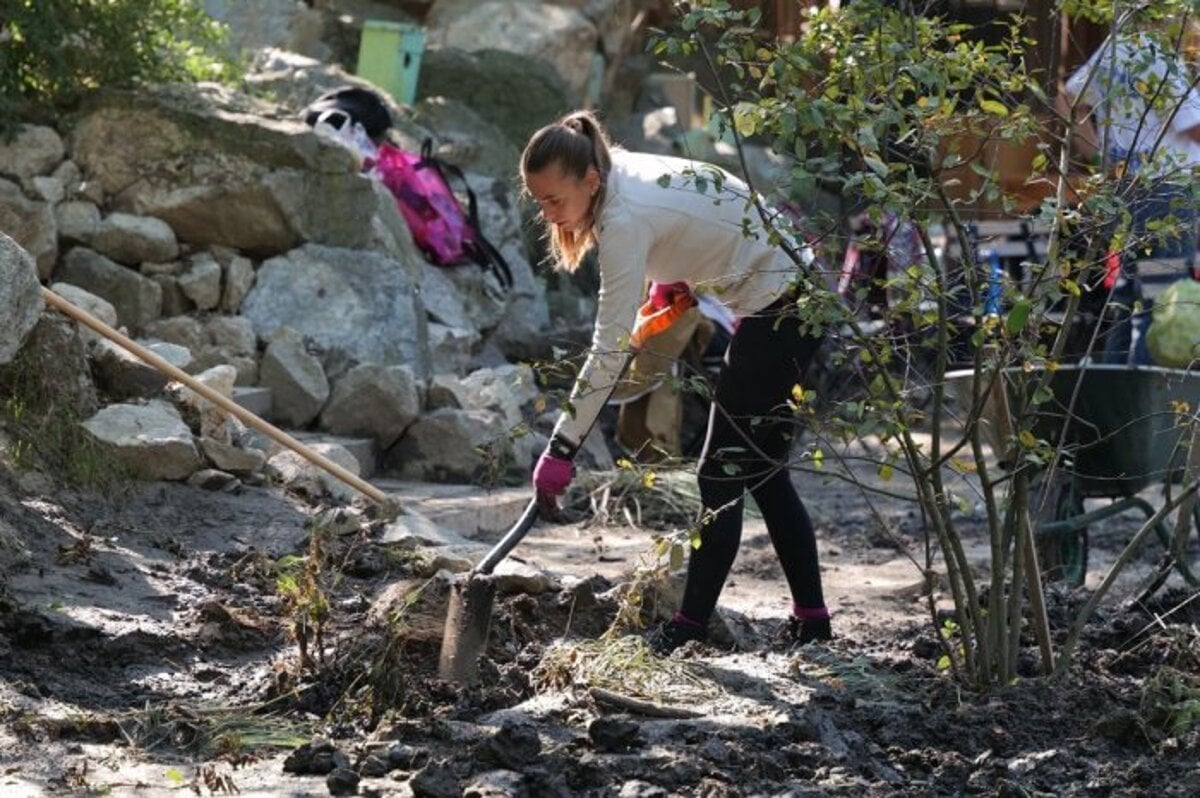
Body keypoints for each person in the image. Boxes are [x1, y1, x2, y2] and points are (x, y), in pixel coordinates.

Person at [521, 110, 831, 653]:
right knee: (763, 473)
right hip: (795, 296)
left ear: (589, 181)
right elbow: (695, 223)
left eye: (554, 199)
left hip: (783, 309)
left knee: (720, 477)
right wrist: (672, 284)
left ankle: (687, 632)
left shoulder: (621, 219)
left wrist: (560, 448)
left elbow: (607, 346)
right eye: (537, 200)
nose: (547, 213)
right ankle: (812, 619)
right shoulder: (617, 171)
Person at [1061, 15, 1200, 362]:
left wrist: (1097, 155)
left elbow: (1066, 97)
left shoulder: (1116, 49)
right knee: (1162, 299)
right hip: (1168, 192)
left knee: (1129, 295)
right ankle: (1146, 399)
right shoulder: (1158, 58)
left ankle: (1114, 387)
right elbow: (1195, 127)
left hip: (1126, 188)